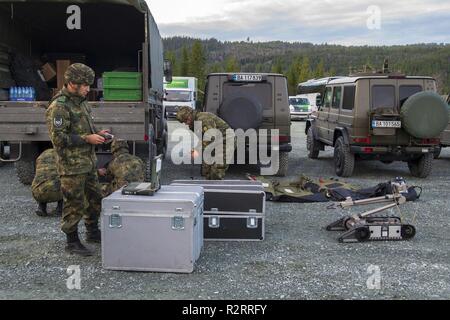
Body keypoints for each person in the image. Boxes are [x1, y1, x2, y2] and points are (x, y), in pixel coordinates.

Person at [46, 63, 109, 257]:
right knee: (74, 203)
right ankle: (72, 242)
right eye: (85, 85)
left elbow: (84, 128)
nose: (88, 89)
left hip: (88, 162)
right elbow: (58, 139)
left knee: (95, 198)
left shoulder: (81, 102)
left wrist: (97, 133)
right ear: (72, 83)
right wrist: (86, 139)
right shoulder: (59, 106)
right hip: (71, 166)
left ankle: (93, 232)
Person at [176, 106, 235, 180]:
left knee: (217, 169)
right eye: (184, 122)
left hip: (226, 140)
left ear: (190, 115)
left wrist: (198, 151)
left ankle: (215, 188)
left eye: (186, 120)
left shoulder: (204, 119)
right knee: (207, 170)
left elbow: (210, 138)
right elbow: (202, 139)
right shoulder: (195, 123)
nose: (186, 123)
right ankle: (209, 187)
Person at [31, 149, 63, 217]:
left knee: (42, 183)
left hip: (37, 193)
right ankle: (60, 209)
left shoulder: (41, 156)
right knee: (67, 183)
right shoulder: (62, 154)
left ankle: (41, 208)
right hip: (56, 192)